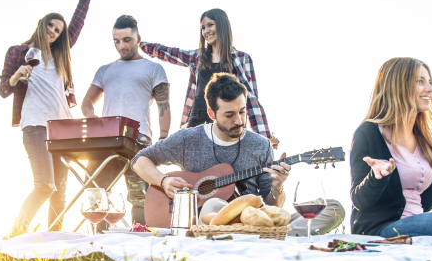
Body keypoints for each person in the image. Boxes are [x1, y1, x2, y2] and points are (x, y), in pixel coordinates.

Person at [131, 73, 343, 235]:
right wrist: (163, 181)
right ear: (212, 114)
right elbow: (139, 160)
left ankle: (266, 236)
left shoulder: (261, 145)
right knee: (213, 204)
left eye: (242, 111)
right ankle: (271, 238)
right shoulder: (188, 138)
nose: (239, 121)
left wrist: (278, 186)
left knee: (333, 208)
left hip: (253, 222)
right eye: (229, 115)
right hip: (204, 222)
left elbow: (272, 206)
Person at [0, 0, 93, 236]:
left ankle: (53, 242)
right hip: (36, 125)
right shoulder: (19, 52)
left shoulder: (60, 55)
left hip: (63, 129)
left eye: (58, 30)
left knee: (59, 193)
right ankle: (15, 236)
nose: (53, 31)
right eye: (50, 25)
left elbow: (78, 22)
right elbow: (3, 90)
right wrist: (17, 75)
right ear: (42, 24)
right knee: (44, 185)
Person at [350, 58, 432, 238]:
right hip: (382, 231)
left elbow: (424, 201)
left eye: (430, 82)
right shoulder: (369, 132)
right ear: (398, 85)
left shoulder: (422, 138)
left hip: (420, 225)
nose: (430, 89)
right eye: (420, 81)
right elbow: (359, 200)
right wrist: (376, 177)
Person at [81, 15, 170, 225]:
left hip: (139, 140)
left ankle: (139, 244)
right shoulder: (105, 70)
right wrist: (92, 118)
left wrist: (163, 136)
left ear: (138, 38)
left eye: (127, 40)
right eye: (116, 41)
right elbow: (87, 102)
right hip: (107, 139)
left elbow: (163, 105)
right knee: (95, 193)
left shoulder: (153, 69)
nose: (121, 45)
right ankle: (99, 244)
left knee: (140, 196)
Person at [139, 9, 276, 145]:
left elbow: (251, 100)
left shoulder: (242, 59)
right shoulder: (197, 57)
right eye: (203, 28)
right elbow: (169, 52)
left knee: (225, 165)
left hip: (228, 122)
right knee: (193, 165)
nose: (206, 31)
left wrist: (264, 137)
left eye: (210, 25)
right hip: (198, 121)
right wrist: (141, 44)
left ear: (222, 26)